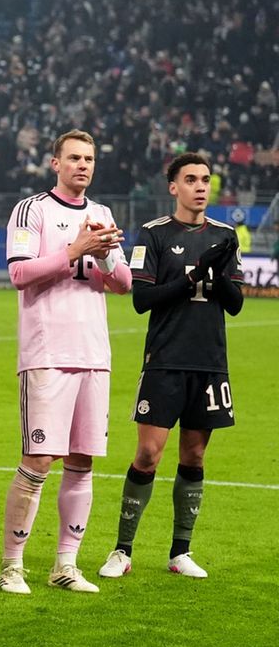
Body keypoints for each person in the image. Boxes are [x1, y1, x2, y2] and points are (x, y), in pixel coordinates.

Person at [0, 129, 132, 595]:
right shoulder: (31, 209)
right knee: (38, 459)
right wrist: (75, 250)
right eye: (74, 158)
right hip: (47, 353)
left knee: (82, 460)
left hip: (94, 354)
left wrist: (106, 256)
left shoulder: (103, 214)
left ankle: (65, 564)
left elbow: (123, 284)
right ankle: (12, 566)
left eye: (89, 159)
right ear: (55, 163)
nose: (83, 165)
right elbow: (19, 273)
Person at [99, 153, 244, 580]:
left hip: (209, 362)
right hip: (164, 360)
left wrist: (218, 274)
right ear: (173, 187)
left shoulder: (225, 235)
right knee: (148, 454)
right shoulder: (154, 234)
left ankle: (181, 551)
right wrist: (194, 275)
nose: (201, 187)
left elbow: (235, 305)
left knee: (194, 454)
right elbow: (142, 299)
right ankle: (122, 550)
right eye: (191, 179)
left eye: (205, 179)